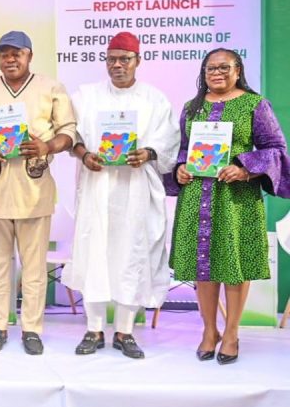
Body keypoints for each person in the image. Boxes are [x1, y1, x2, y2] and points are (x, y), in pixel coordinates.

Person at [62, 32, 180, 359]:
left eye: (125, 59)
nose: (117, 65)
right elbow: (72, 137)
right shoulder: (86, 96)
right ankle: (94, 329)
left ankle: (125, 332)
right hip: (97, 187)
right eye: (112, 59)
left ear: (137, 61)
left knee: (133, 253)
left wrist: (149, 153)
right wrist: (85, 155)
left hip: (136, 190)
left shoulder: (155, 100)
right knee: (95, 252)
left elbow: (169, 142)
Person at [170, 48, 290, 365]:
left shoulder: (255, 104)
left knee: (233, 265)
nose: (217, 73)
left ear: (238, 70)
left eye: (224, 67)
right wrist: (180, 169)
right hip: (196, 197)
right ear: (203, 73)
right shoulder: (191, 107)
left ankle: (232, 333)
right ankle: (209, 331)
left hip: (236, 199)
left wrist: (245, 169)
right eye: (211, 68)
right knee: (203, 266)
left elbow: (276, 149)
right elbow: (183, 150)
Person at [0, 30, 77, 354]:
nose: (10, 59)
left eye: (17, 53)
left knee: (34, 266)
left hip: (34, 190)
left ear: (29, 56)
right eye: (4, 54)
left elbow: (69, 132)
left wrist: (47, 146)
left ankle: (31, 329)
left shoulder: (50, 88)